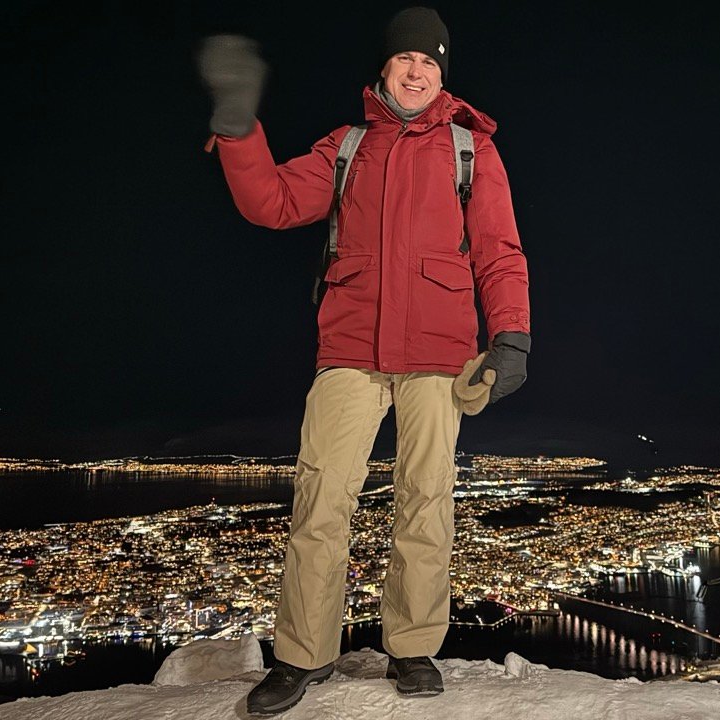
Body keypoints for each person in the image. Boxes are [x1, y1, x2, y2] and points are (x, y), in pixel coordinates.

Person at [197, 7, 530, 714]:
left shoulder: (471, 150)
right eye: (406, 59)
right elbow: (274, 202)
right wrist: (237, 128)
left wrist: (511, 338)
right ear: (385, 67)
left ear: (443, 75)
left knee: (426, 499)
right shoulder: (349, 146)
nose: (417, 70)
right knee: (321, 498)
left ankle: (411, 649)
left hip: (440, 354)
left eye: (430, 63)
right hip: (350, 346)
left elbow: (499, 250)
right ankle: (302, 657)